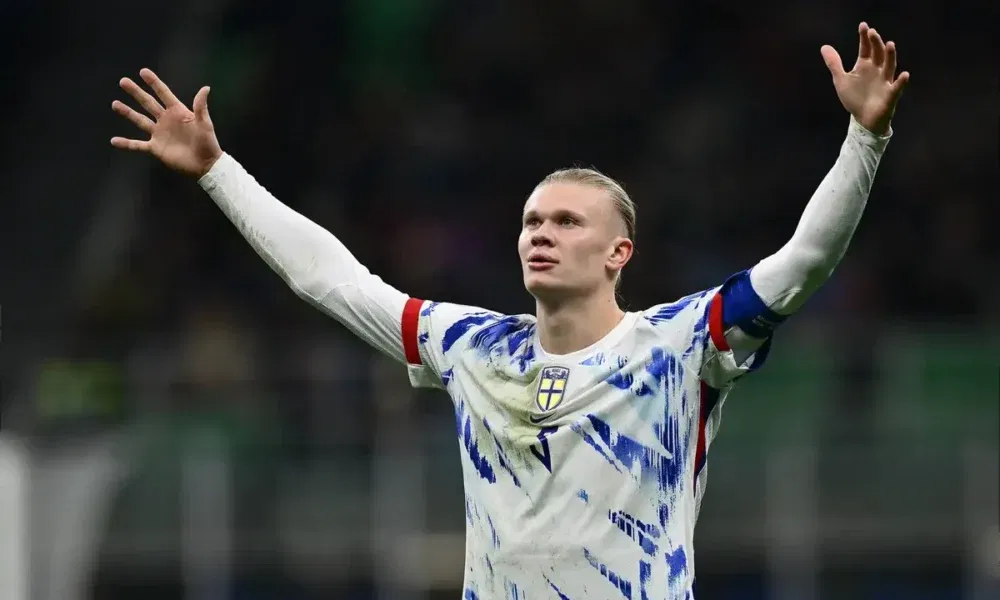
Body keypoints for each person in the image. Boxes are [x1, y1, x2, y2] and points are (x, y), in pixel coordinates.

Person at [110, 22, 908, 600]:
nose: (541, 234)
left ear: (619, 253)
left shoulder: (677, 344)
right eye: (531, 222)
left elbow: (803, 264)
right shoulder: (473, 347)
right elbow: (331, 279)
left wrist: (864, 140)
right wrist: (217, 171)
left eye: (566, 222)